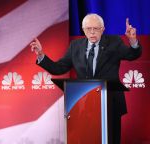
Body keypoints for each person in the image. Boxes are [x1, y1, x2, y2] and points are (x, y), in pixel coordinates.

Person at [30, 13, 142, 144]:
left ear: (103, 29)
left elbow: (131, 55)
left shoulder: (114, 42)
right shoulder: (75, 46)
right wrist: (41, 55)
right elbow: (59, 68)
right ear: (83, 30)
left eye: (96, 28)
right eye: (88, 28)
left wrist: (133, 42)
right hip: (84, 103)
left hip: (110, 103)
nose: (92, 32)